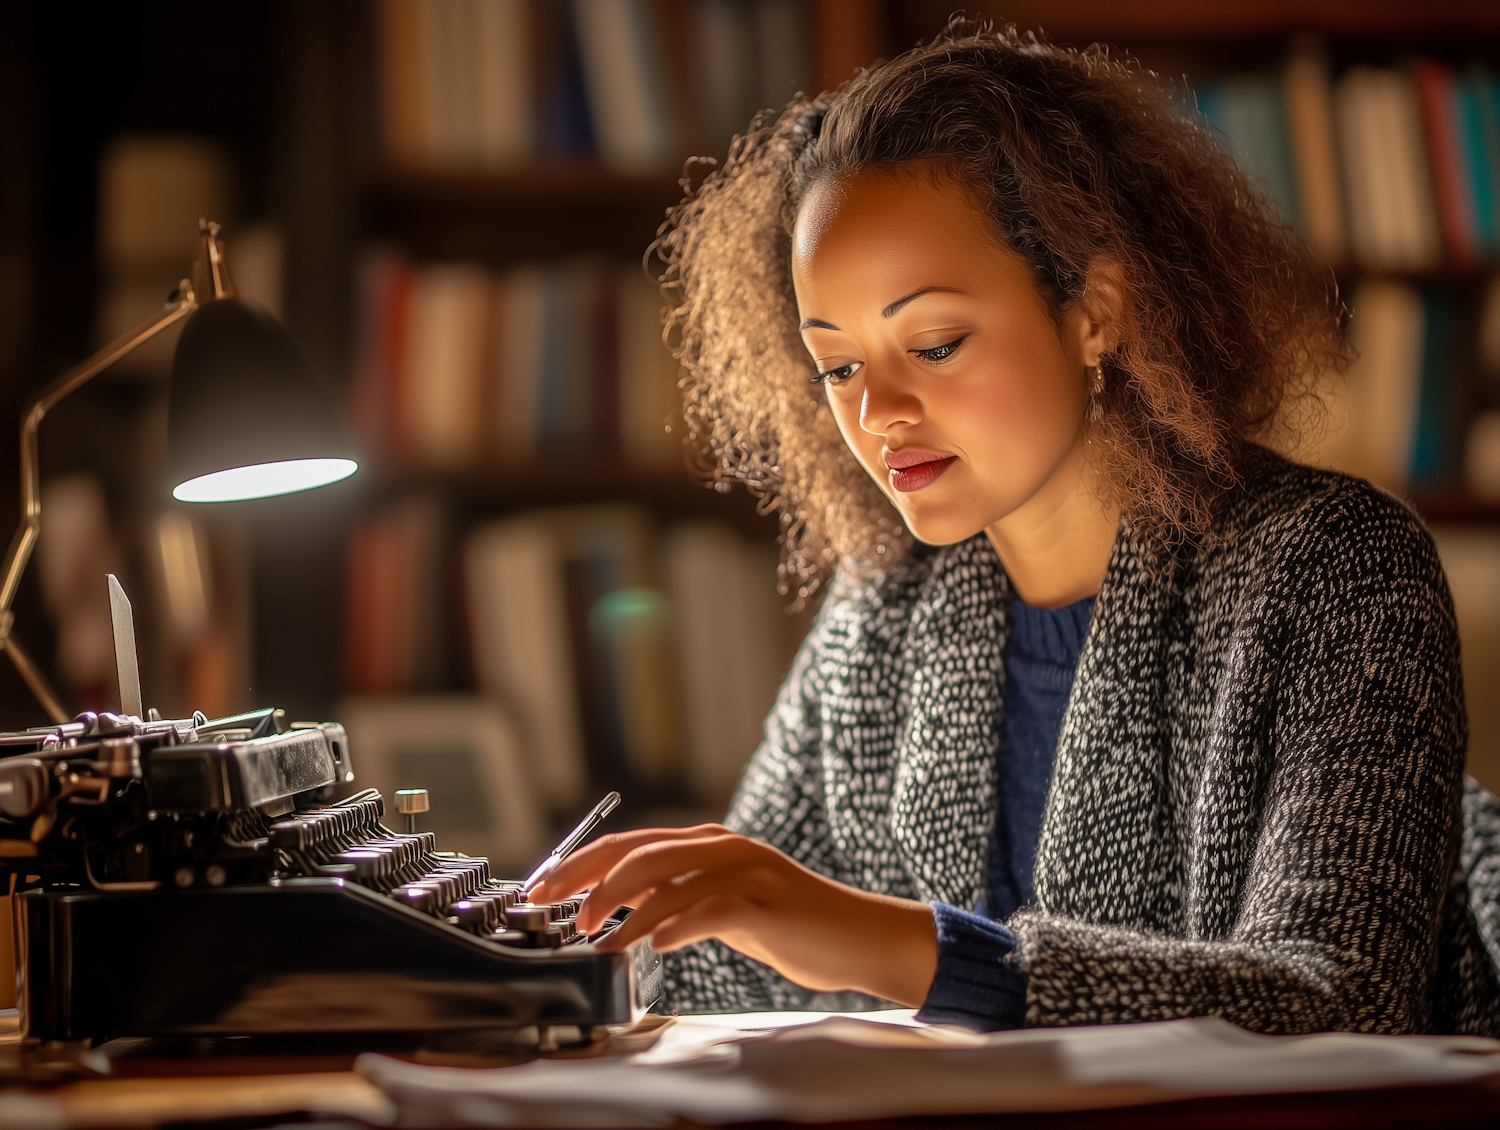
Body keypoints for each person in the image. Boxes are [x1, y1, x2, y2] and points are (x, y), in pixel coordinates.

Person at [532, 22, 1500, 1035]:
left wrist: (886, 942)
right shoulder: (883, 602)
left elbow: (1337, 999)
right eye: (840, 365)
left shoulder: (1338, 570)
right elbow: (726, 959)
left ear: (1095, 310)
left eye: (936, 342)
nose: (877, 412)